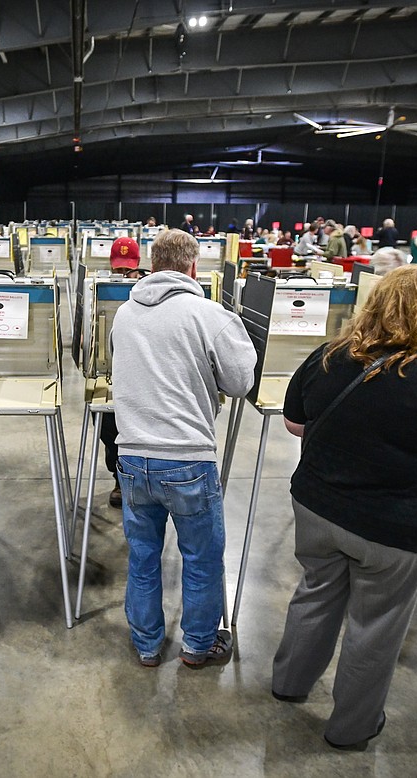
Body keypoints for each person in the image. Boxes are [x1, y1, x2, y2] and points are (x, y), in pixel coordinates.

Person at [272, 265, 417, 751]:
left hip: (317, 505)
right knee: (374, 628)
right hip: (391, 527)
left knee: (314, 595)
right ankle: (350, 729)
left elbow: (293, 423)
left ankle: (288, 683)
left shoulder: (328, 357)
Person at [110, 228, 256, 669]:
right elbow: (242, 382)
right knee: (201, 558)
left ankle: (148, 645)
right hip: (188, 459)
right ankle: (197, 645)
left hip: (132, 457)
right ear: (195, 268)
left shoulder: (123, 313)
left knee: (143, 556)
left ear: (152, 265)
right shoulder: (211, 315)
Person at [101, 236, 147, 508]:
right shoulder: (102, 290)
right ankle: (118, 479)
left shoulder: (148, 290)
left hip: (143, 370)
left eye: (127, 269)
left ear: (139, 264)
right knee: (110, 430)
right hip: (114, 370)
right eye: (118, 269)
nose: (122, 274)